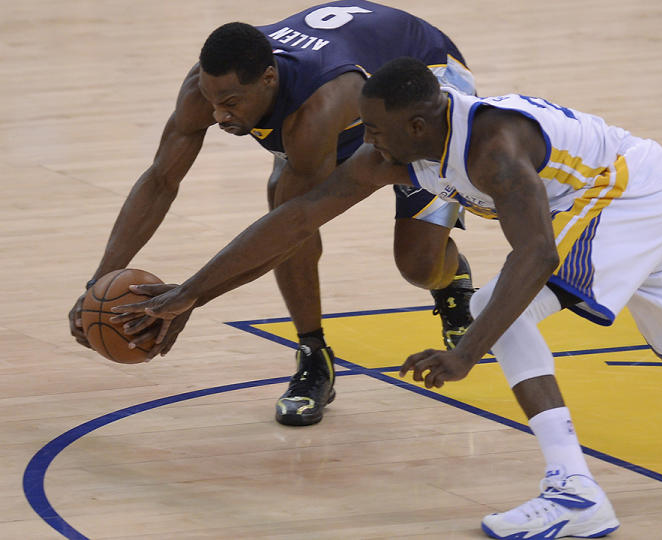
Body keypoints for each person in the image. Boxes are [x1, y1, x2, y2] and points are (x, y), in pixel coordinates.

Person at [114, 58, 662, 539]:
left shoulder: (495, 150)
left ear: (420, 122)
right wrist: (189, 292)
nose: (363, 146)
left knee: (507, 313)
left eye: (374, 131)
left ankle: (573, 492)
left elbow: (536, 254)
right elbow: (297, 215)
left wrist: (465, 350)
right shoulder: (404, 146)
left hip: (633, 199)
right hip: (642, 193)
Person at [67, 4, 479, 427]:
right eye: (211, 102)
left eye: (230, 103)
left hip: (423, 77)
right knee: (281, 198)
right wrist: (98, 281)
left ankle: (451, 281)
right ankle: (313, 355)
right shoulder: (206, 88)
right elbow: (159, 181)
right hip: (347, 80)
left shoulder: (315, 109)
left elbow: (295, 226)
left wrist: (192, 295)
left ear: (268, 79)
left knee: (417, 266)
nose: (219, 116)